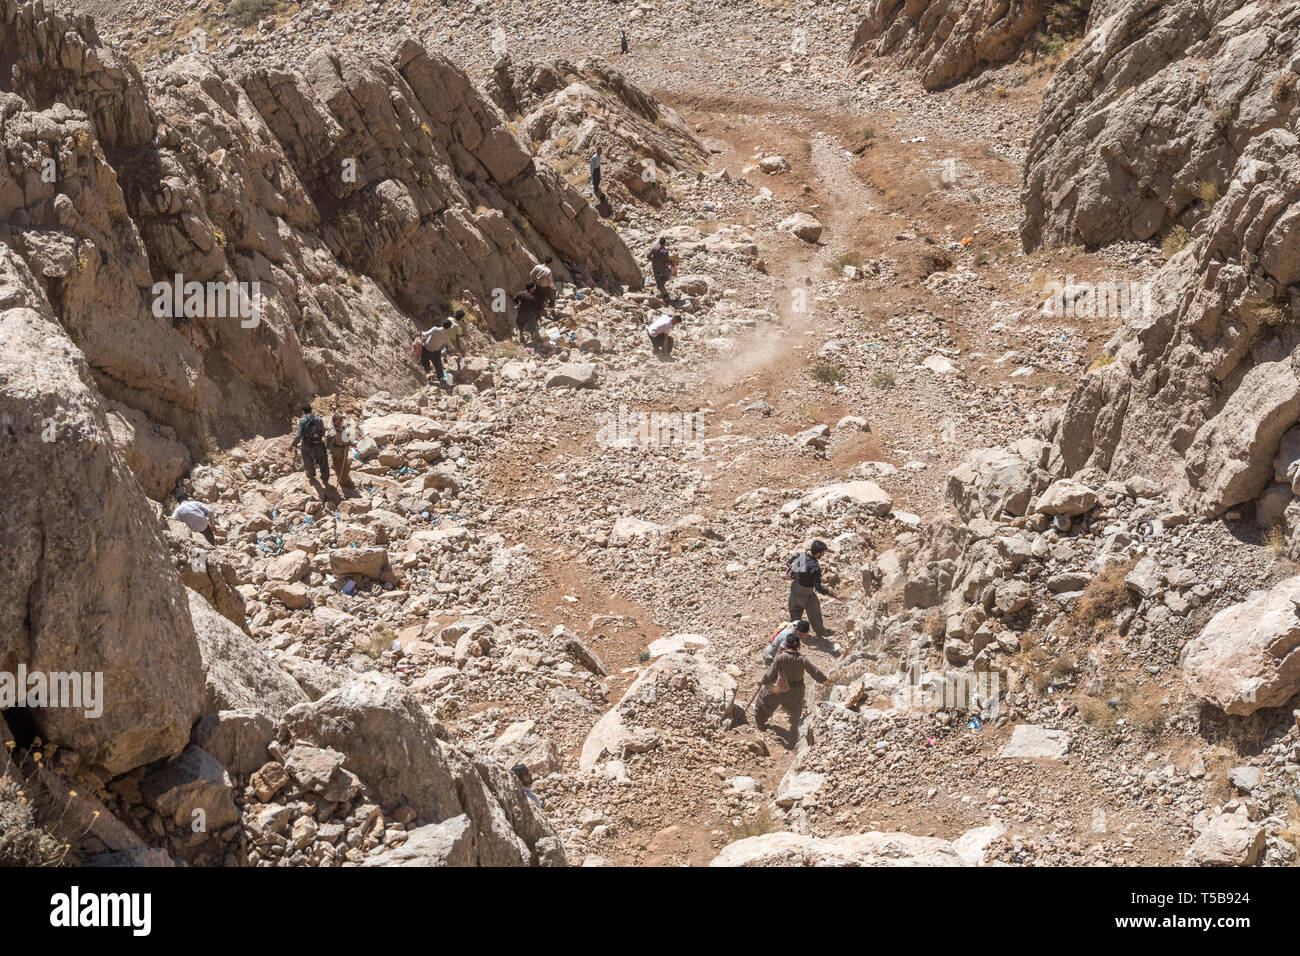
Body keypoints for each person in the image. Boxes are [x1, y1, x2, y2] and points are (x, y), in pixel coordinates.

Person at [753, 630, 828, 732]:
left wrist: (762, 681)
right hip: (796, 691)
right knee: (796, 711)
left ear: (786, 644)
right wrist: (826, 682)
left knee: (764, 702)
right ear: (799, 646)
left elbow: (770, 674)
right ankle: (794, 728)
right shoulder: (802, 659)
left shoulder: (780, 657)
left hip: (778, 689)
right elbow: (815, 672)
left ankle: (761, 723)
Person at [786, 539, 844, 638]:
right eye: (823, 552)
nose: (823, 554)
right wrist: (836, 596)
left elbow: (789, 563)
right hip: (806, 594)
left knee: (795, 613)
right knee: (815, 615)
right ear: (818, 553)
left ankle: (795, 632)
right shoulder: (814, 567)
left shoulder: (802, 556)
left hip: (794, 590)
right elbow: (818, 588)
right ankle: (821, 632)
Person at [290, 403, 330, 485]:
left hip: (307, 446)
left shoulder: (302, 421)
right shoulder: (318, 419)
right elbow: (322, 432)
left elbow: (299, 435)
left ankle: (312, 476)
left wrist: (293, 444)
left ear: (303, 412)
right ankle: (325, 479)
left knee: (308, 461)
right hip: (319, 444)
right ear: (311, 410)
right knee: (323, 461)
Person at [324, 412, 356, 489]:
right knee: (339, 467)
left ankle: (343, 478)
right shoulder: (332, 433)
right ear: (334, 422)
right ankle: (344, 482)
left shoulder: (342, 428)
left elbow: (345, 437)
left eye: (341, 420)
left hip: (344, 451)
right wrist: (341, 448)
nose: (341, 422)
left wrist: (350, 443)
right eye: (339, 421)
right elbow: (329, 447)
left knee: (345, 465)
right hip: (337, 453)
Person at [421, 319, 452, 390]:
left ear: (442, 324)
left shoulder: (435, 329)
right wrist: (451, 349)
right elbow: (450, 346)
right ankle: (441, 379)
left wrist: (421, 333)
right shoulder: (446, 337)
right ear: (449, 328)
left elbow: (425, 334)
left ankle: (427, 373)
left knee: (425, 362)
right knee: (438, 366)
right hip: (435, 352)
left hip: (426, 349)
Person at [514, 282, 544, 346]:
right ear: (531, 288)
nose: (534, 289)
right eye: (534, 288)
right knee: (533, 326)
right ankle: (535, 338)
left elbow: (515, 300)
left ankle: (521, 336)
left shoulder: (520, 293)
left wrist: (519, 304)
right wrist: (539, 317)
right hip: (529, 314)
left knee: (520, 324)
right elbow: (536, 309)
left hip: (521, 312)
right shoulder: (532, 298)